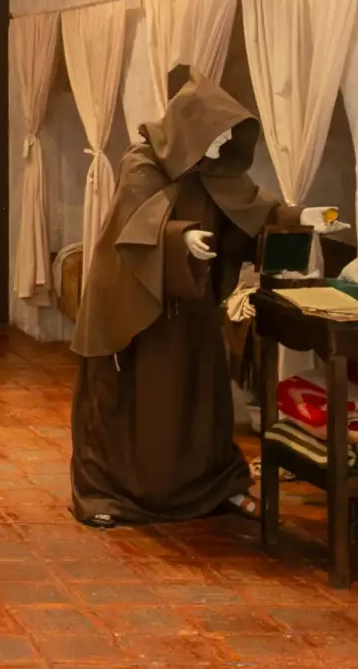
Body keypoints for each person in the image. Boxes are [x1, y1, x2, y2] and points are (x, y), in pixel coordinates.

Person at [69, 68, 281, 527]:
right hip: (134, 306)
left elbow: (252, 211)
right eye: (217, 134)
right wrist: (179, 238)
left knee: (197, 400)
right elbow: (134, 226)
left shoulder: (213, 171)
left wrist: (301, 219)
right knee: (130, 403)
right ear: (191, 129)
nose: (223, 144)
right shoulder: (141, 163)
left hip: (190, 304)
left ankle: (213, 485)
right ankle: (108, 492)